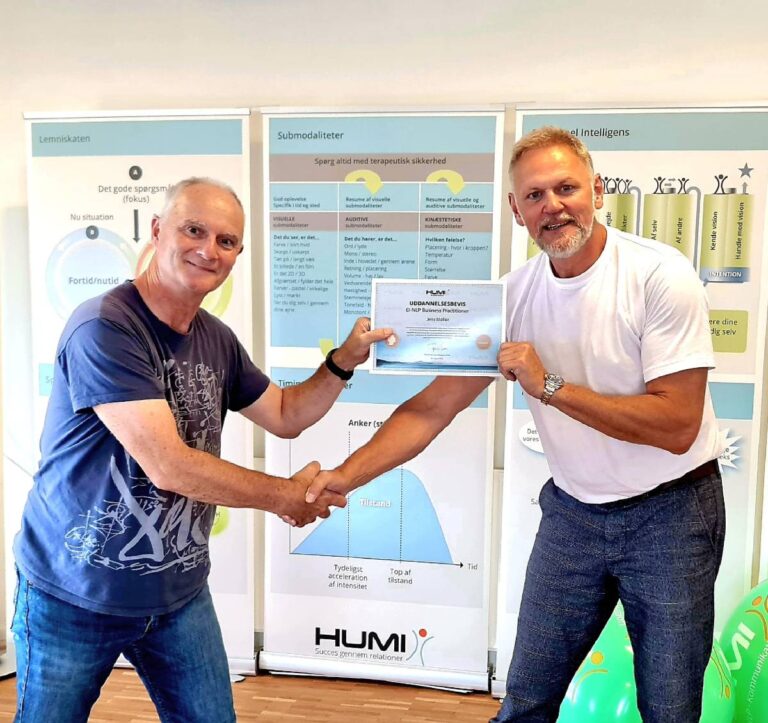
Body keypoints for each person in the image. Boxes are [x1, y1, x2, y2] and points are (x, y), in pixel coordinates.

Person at [306, 127, 725, 722]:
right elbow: (432, 407)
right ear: (516, 210)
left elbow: (677, 424)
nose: (552, 206)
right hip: (574, 515)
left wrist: (549, 385)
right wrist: (346, 476)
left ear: (597, 190)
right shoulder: (511, 299)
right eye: (534, 195)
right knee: (524, 700)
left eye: (566, 188)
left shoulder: (659, 275)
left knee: (670, 709)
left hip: (671, 513)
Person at [11, 177, 391, 722]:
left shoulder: (216, 338)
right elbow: (169, 466)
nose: (209, 250)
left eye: (226, 241)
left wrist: (343, 361)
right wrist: (285, 496)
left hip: (177, 594)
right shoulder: (105, 327)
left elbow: (286, 415)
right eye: (194, 230)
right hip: (74, 593)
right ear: (157, 230)